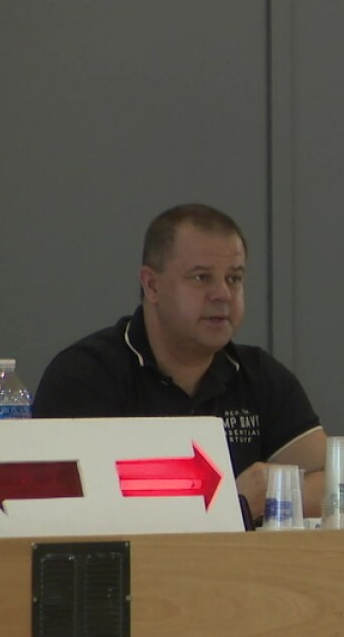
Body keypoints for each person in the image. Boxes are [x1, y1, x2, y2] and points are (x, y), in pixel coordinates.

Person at [34, 203, 327, 522]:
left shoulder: (260, 375)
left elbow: (333, 486)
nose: (223, 294)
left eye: (234, 278)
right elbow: (73, 511)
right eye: (201, 277)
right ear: (152, 285)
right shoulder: (85, 376)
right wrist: (235, 505)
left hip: (242, 557)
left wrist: (273, 494)